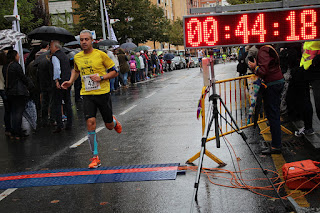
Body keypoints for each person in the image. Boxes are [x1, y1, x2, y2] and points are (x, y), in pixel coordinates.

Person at [61, 30, 122, 169]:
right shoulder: (77, 57)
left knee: (109, 126)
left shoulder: (101, 55)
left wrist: (101, 78)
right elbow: (76, 70)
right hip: (87, 94)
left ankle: (113, 121)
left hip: (103, 93)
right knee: (90, 122)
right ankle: (95, 157)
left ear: (92, 41)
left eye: (86, 39)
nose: (83, 42)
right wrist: (70, 81)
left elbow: (114, 71)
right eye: (81, 40)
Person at [248, 45, 284, 154]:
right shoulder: (270, 48)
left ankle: (276, 146)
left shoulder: (263, 50)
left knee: (272, 115)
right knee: (274, 114)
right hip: (277, 81)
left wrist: (255, 67)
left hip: (272, 84)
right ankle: (276, 144)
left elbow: (263, 71)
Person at [2, 50, 33, 140]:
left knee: (13, 112)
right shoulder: (15, 66)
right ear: (14, 56)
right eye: (17, 54)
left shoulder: (5, 67)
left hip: (9, 92)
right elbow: (22, 77)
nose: (19, 56)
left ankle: (14, 131)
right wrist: (29, 85)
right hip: (18, 92)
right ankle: (18, 132)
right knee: (18, 112)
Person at [294, 41, 320, 137]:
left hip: (317, 70)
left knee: (319, 104)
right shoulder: (307, 33)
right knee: (304, 100)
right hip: (304, 68)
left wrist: (315, 61)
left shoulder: (314, 29)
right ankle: (308, 127)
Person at [50, 40, 73, 133]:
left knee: (57, 103)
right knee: (67, 102)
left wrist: (56, 80)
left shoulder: (55, 56)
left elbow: (57, 68)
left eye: (51, 47)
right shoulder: (65, 56)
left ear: (56, 47)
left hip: (60, 82)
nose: (50, 49)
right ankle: (69, 123)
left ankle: (59, 124)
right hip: (67, 81)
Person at [0, 51, 11, 136]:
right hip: (5, 88)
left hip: (0, 88)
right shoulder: (6, 67)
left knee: (6, 110)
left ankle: (8, 128)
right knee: (9, 109)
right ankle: (10, 127)